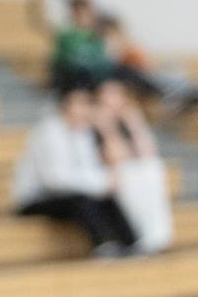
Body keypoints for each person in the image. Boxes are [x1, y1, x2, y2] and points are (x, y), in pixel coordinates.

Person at [12, 84, 138, 256]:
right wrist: (100, 183)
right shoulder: (48, 133)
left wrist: (103, 183)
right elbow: (55, 180)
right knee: (83, 200)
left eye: (88, 104)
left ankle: (131, 243)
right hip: (37, 199)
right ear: (66, 105)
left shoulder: (83, 133)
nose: (85, 109)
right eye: (80, 103)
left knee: (106, 198)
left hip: (69, 195)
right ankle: (104, 245)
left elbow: (89, 170)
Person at [94, 77, 173, 254]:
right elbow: (116, 156)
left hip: (130, 168)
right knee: (128, 174)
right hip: (108, 172)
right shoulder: (96, 123)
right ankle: (139, 236)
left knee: (152, 168)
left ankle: (158, 236)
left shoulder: (128, 118)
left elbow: (148, 152)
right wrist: (108, 127)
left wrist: (135, 123)